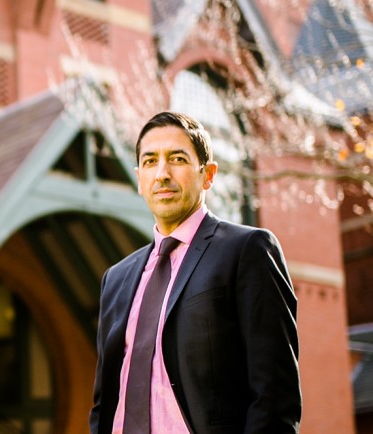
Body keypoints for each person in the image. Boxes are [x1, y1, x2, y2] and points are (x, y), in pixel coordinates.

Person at [89, 111, 302, 434]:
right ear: (138, 179)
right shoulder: (116, 280)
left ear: (208, 174)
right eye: (150, 162)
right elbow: (105, 403)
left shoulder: (247, 251)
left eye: (177, 159)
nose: (162, 174)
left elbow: (274, 397)